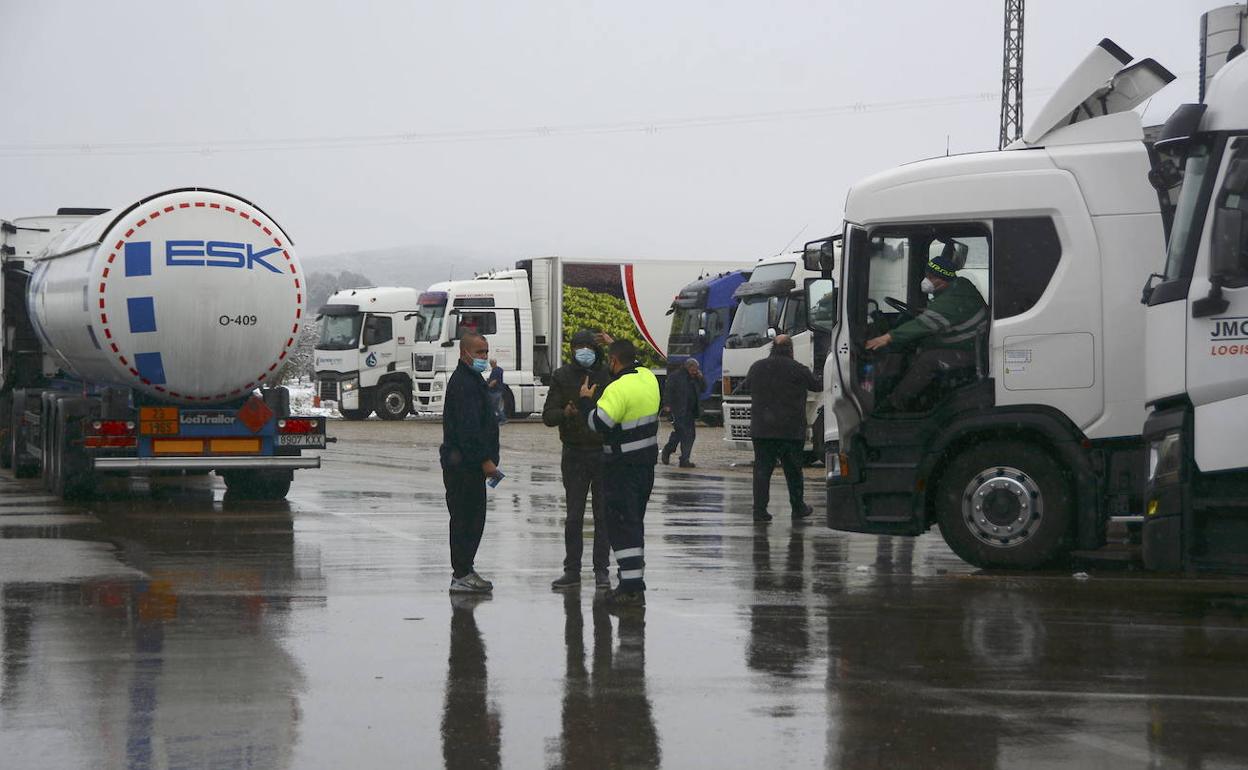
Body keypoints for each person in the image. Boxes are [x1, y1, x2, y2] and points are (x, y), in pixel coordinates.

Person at [581, 339, 661, 607]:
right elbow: (626, 356)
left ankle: (630, 588)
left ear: (613, 362)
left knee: (622, 527)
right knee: (634, 523)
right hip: (645, 466)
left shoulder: (617, 388)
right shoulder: (648, 377)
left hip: (621, 468)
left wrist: (586, 403)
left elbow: (599, 423)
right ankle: (633, 582)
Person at [865, 248, 988, 412]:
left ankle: (894, 404)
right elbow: (945, 313)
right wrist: (926, 311)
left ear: (943, 280)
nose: (926, 280)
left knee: (927, 359)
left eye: (931, 277)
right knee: (920, 349)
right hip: (970, 344)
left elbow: (923, 325)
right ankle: (921, 398)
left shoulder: (951, 300)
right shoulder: (959, 287)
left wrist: (887, 337)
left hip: (972, 351)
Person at [542, 329, 613, 590]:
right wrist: (566, 412)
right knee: (574, 516)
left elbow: (632, 368)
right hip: (574, 453)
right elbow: (548, 415)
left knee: (603, 515)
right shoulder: (562, 376)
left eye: (588, 346)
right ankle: (572, 570)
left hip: (602, 453)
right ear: (571, 350)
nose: (583, 351)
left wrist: (614, 343)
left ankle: (601, 570)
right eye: (578, 346)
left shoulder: (608, 375)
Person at [439, 332, 502, 593]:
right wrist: (485, 460)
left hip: (467, 464)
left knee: (472, 520)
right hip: (464, 466)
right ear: (464, 353)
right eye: (479, 353)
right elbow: (469, 428)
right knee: (467, 520)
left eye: (486, 352)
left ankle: (466, 569)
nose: (483, 357)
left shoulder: (473, 379)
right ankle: (462, 573)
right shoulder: (464, 383)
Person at [742, 334, 820, 523]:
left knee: (762, 471)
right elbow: (817, 386)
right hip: (790, 430)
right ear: (791, 350)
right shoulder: (798, 369)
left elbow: (744, 388)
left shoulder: (758, 367)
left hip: (762, 430)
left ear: (772, 349)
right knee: (793, 471)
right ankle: (797, 507)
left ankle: (760, 510)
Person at [661, 358, 703, 468]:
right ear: (688, 367)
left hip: (690, 412)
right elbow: (668, 390)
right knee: (680, 433)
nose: (695, 372)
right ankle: (668, 450)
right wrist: (667, 405)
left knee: (690, 435)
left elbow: (704, 388)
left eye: (696, 370)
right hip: (678, 410)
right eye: (693, 370)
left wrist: (701, 379)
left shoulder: (696, 378)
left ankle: (685, 459)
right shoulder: (676, 376)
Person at [486, 358, 507, 424]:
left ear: (492, 363)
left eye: (490, 363)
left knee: (494, 406)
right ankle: (499, 419)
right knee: (495, 406)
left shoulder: (495, 371)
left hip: (494, 391)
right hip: (499, 390)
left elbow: (494, 381)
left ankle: (503, 419)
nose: (490, 365)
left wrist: (488, 386)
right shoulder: (499, 369)